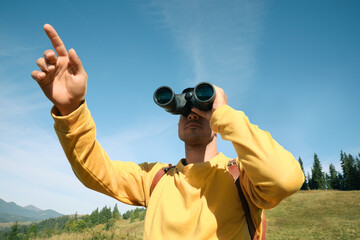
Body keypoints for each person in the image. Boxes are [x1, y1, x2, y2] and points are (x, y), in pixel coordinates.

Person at [31, 24, 304, 240]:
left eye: (201, 110)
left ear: (218, 122)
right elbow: (95, 171)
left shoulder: (240, 177)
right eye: (184, 111)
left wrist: (224, 113)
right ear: (176, 123)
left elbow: (285, 180)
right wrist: (71, 109)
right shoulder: (155, 178)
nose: (191, 114)